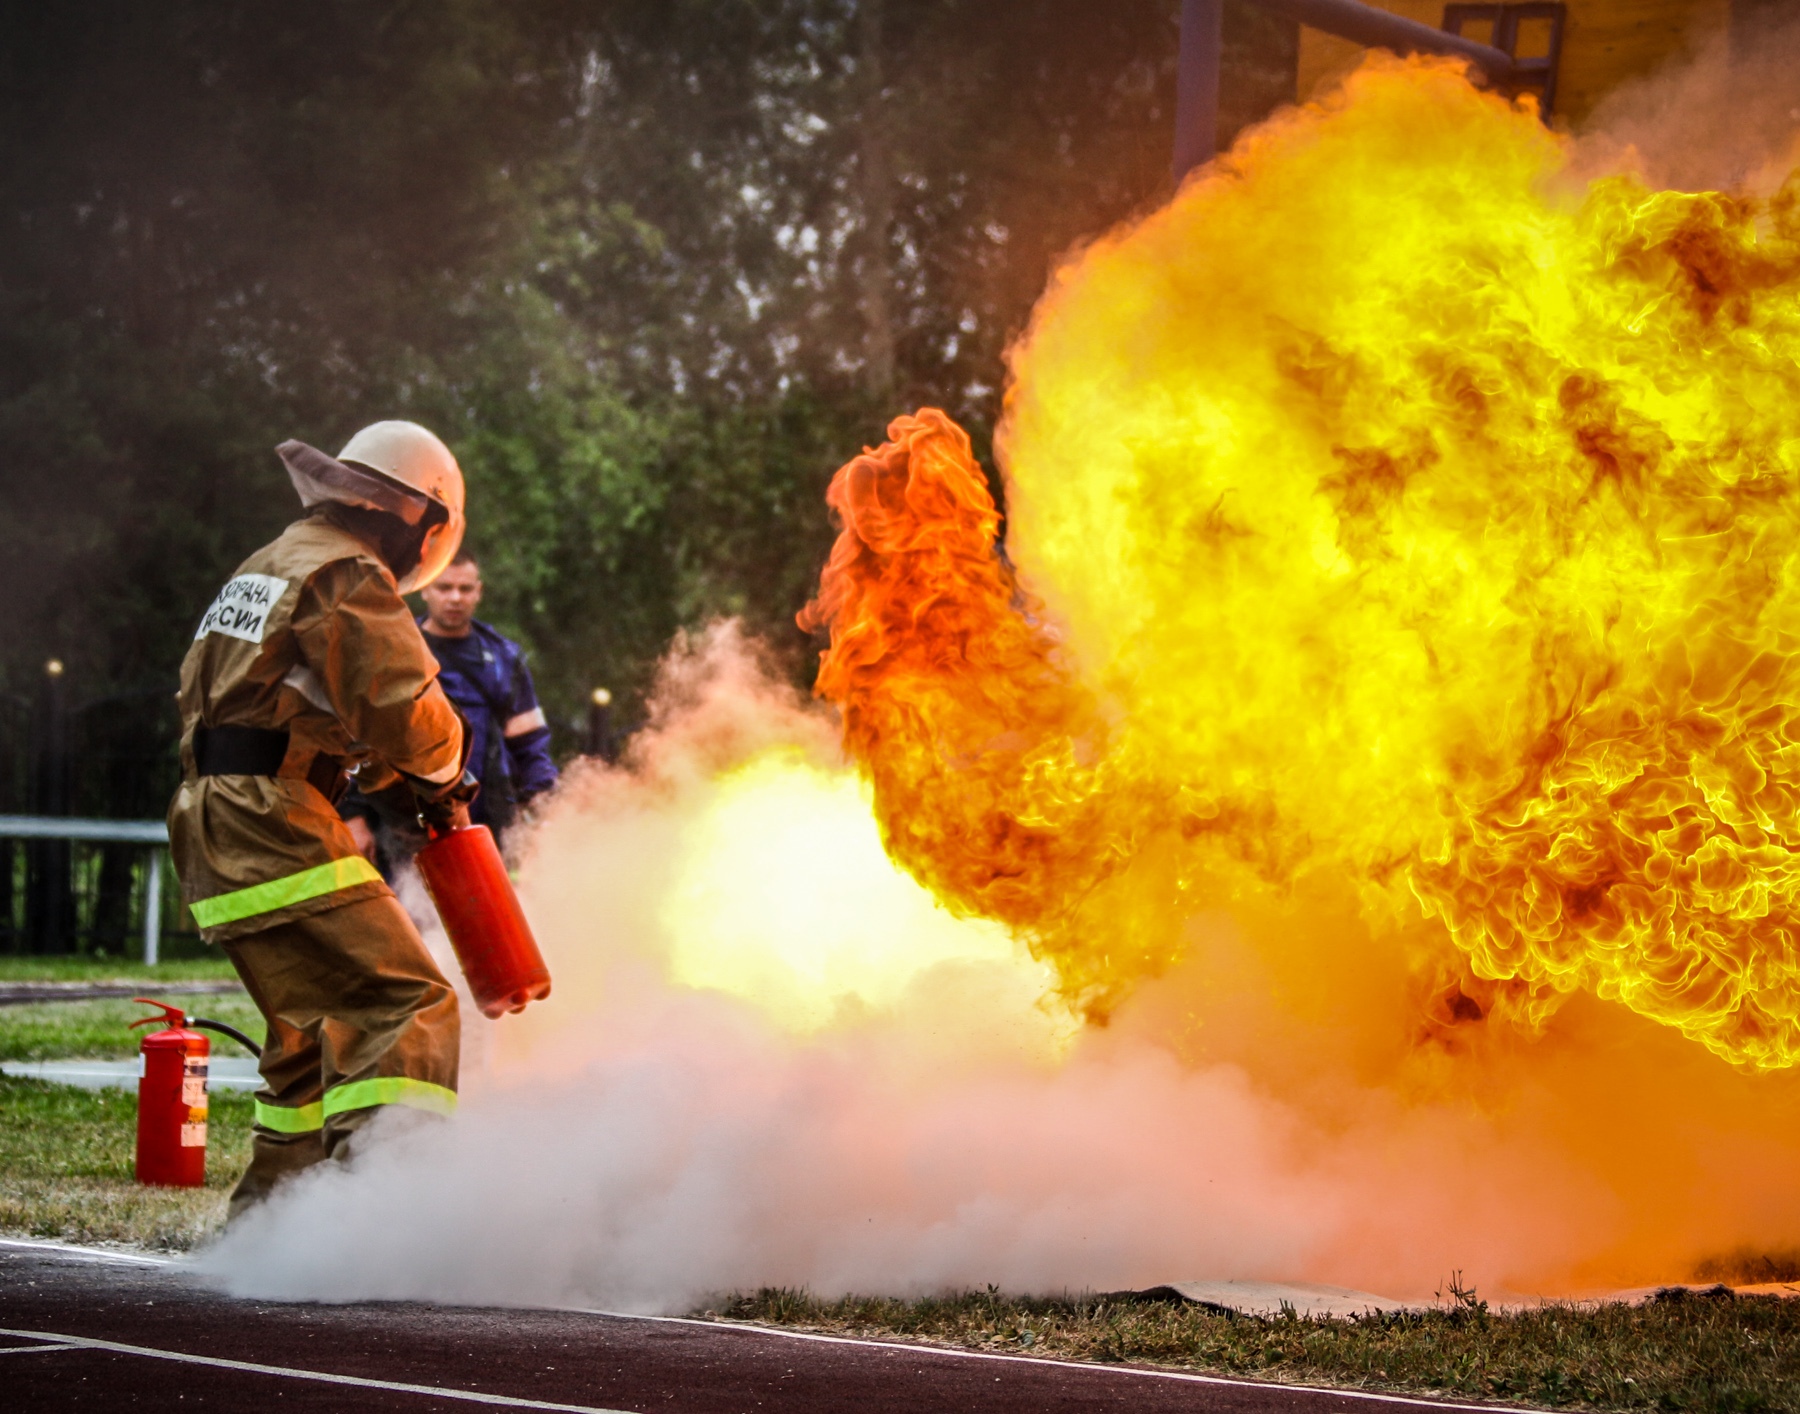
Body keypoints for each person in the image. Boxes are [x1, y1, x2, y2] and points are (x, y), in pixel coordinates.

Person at [167, 420, 477, 1220]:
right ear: (417, 519)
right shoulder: (345, 572)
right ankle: (386, 1215)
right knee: (407, 1002)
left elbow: (290, 700)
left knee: (308, 1034)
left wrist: (378, 775)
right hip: (271, 815)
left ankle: (272, 1230)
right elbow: (403, 706)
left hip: (216, 812)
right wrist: (445, 772)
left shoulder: (269, 564)